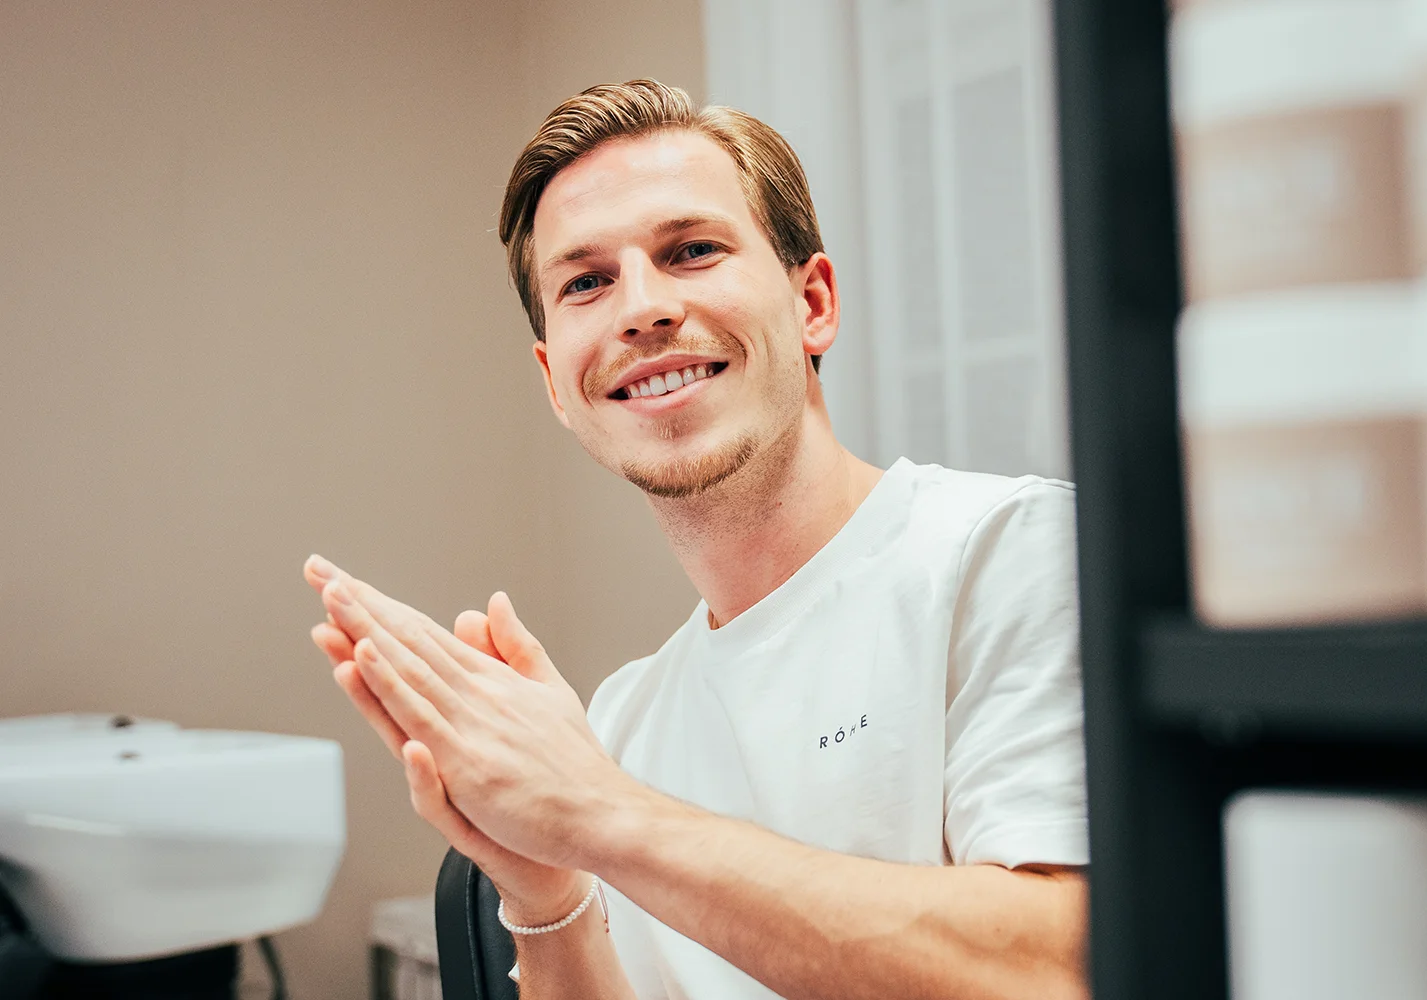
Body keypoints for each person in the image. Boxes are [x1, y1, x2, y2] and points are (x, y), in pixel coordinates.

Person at [304, 79, 1089, 1000]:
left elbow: (1066, 967)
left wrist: (603, 816)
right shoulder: (621, 722)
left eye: (692, 250)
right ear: (556, 384)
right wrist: (548, 891)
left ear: (813, 303)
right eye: (587, 282)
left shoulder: (1012, 556)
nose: (641, 308)